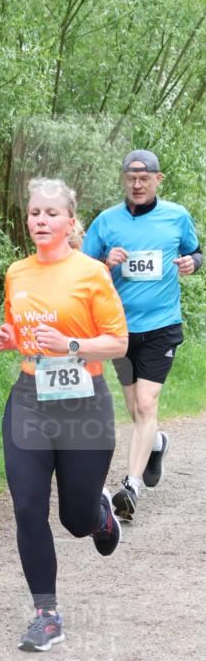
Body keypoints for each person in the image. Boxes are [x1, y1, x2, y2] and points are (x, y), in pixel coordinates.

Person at [0, 178, 129, 652]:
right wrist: (9, 338)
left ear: (71, 222)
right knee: (28, 507)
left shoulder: (91, 272)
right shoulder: (17, 272)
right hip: (30, 398)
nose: (41, 221)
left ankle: (99, 517)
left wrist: (71, 344)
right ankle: (46, 614)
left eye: (51, 213)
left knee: (75, 519)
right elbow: (21, 330)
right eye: (34, 213)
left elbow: (118, 342)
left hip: (83, 401)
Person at [82, 150, 202, 520]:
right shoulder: (106, 221)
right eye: (131, 178)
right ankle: (157, 442)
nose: (137, 184)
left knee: (147, 405)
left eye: (144, 178)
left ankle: (131, 486)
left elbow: (197, 252)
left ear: (157, 179)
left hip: (162, 327)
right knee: (136, 410)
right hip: (119, 330)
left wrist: (192, 263)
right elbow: (82, 270)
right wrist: (106, 263)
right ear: (124, 179)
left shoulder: (177, 216)